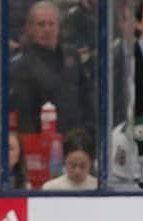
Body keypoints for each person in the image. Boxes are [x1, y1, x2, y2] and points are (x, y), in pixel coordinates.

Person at [10, 2, 95, 144]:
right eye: (41, 24)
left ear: (58, 26)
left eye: (51, 24)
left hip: (78, 143)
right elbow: (24, 118)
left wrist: (90, 133)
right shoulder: (21, 66)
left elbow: (86, 97)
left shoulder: (72, 56)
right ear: (30, 28)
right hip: (44, 145)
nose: (47, 29)